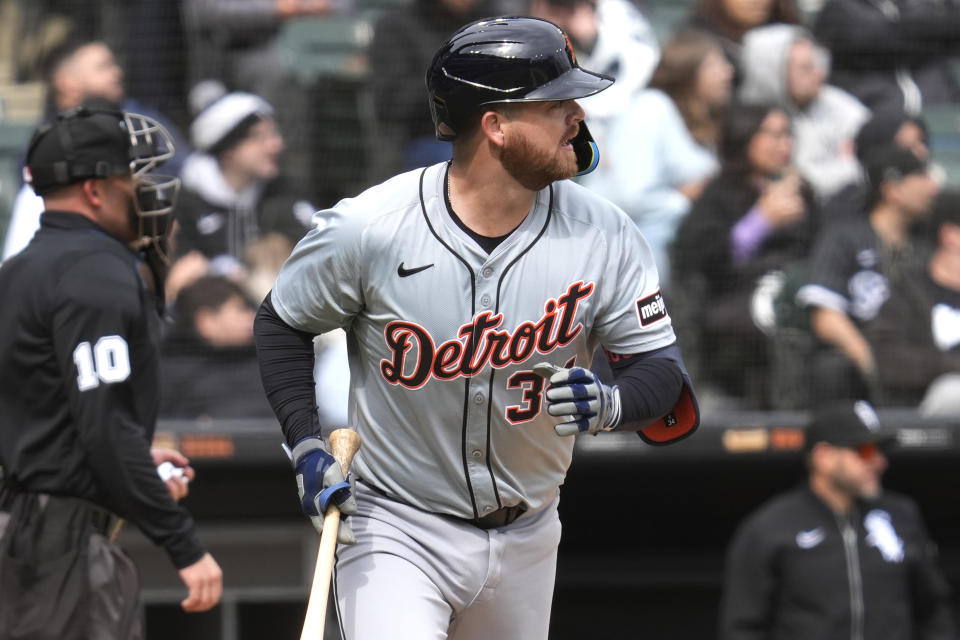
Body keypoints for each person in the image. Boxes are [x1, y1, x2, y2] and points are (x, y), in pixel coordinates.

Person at [254, 16, 699, 639]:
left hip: (530, 531)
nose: (577, 114)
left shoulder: (606, 232)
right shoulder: (371, 227)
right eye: (556, 103)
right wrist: (304, 442)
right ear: (495, 124)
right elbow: (281, 321)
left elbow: (662, 374)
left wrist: (611, 402)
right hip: (395, 526)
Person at [0, 105, 222, 637]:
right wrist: (185, 546)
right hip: (57, 549)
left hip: (26, 532)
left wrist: (136, 464)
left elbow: (46, 413)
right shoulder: (96, 274)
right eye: (131, 176)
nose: (145, 189)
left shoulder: (17, 273)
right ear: (96, 190)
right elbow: (106, 428)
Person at [719, 399, 957, 640]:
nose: (879, 462)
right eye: (864, 451)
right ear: (824, 456)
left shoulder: (902, 515)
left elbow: (933, 610)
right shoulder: (769, 527)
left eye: (880, 450)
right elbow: (743, 627)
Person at [671, 103, 816, 407]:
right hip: (732, 305)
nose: (784, 145)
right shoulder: (718, 195)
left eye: (788, 135)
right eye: (774, 135)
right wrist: (761, 222)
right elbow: (702, 260)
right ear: (744, 137)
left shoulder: (802, 191)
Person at [2, 39, 191, 261]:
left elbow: (187, 175)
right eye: (103, 67)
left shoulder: (143, 121)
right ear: (66, 82)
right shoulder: (44, 146)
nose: (116, 72)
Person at [579, 29, 732, 287]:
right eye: (714, 65)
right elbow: (628, 197)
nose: (728, 72)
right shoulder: (650, 109)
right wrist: (685, 198)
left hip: (681, 268)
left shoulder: (705, 125)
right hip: (632, 273)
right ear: (688, 71)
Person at [796, 145, 942, 403]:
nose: (931, 187)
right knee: (832, 369)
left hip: (918, 362)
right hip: (861, 366)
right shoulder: (844, 237)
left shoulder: (926, 245)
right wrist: (870, 361)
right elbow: (825, 317)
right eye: (920, 177)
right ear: (892, 189)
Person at [173, 91, 314, 286]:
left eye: (274, 134)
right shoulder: (187, 202)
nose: (276, 145)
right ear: (228, 150)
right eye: (260, 137)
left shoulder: (282, 192)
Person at [738, 24, 870, 203]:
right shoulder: (746, 124)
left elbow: (870, 154)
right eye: (806, 69)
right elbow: (793, 185)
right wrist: (846, 167)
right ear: (773, 75)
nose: (820, 74)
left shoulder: (831, 99)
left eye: (815, 65)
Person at [864, 190, 960, 415]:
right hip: (926, 405)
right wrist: (952, 365)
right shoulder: (909, 292)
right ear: (950, 235)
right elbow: (889, 360)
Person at [813, 0, 960, 115]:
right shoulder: (839, 9)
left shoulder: (922, 7)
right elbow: (877, 37)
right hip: (878, 125)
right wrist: (936, 33)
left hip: (942, 117)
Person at [159, 275, 274, 419]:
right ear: (206, 322)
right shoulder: (170, 374)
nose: (251, 316)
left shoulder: (267, 364)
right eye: (240, 310)